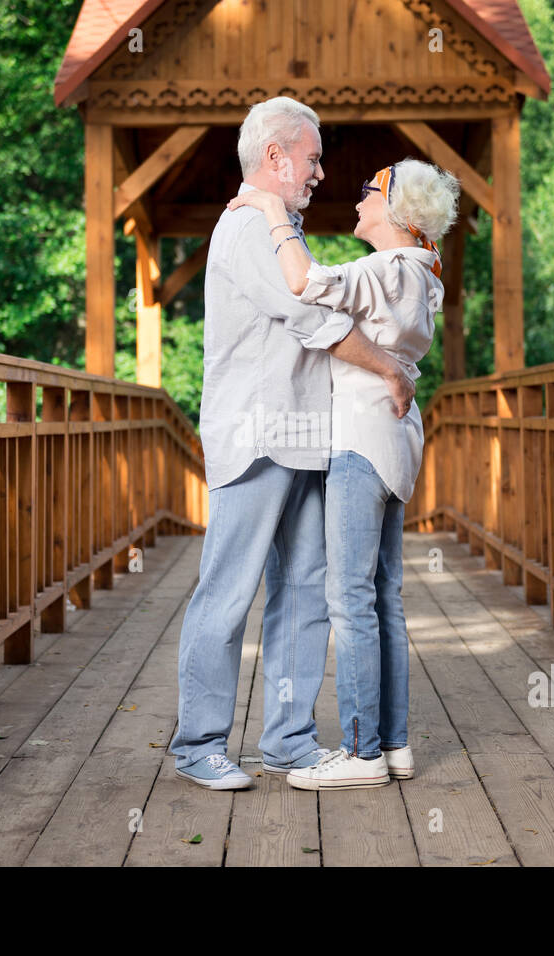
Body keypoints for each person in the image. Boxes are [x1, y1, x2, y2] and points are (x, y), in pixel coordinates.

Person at [170, 98, 417, 790]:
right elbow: (312, 317)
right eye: (310, 158)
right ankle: (197, 745)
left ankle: (287, 740)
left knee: (305, 593)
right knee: (228, 592)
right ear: (276, 157)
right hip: (257, 436)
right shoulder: (250, 225)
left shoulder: (284, 230)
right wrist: (390, 368)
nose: (319, 171)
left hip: (307, 438)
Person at [227, 158, 460, 789]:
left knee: (349, 598)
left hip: (359, 442)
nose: (357, 198)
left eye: (369, 191)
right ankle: (395, 744)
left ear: (398, 212)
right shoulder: (421, 276)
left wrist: (270, 210)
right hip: (394, 442)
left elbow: (302, 281)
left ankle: (361, 754)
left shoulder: (384, 269)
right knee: (385, 596)